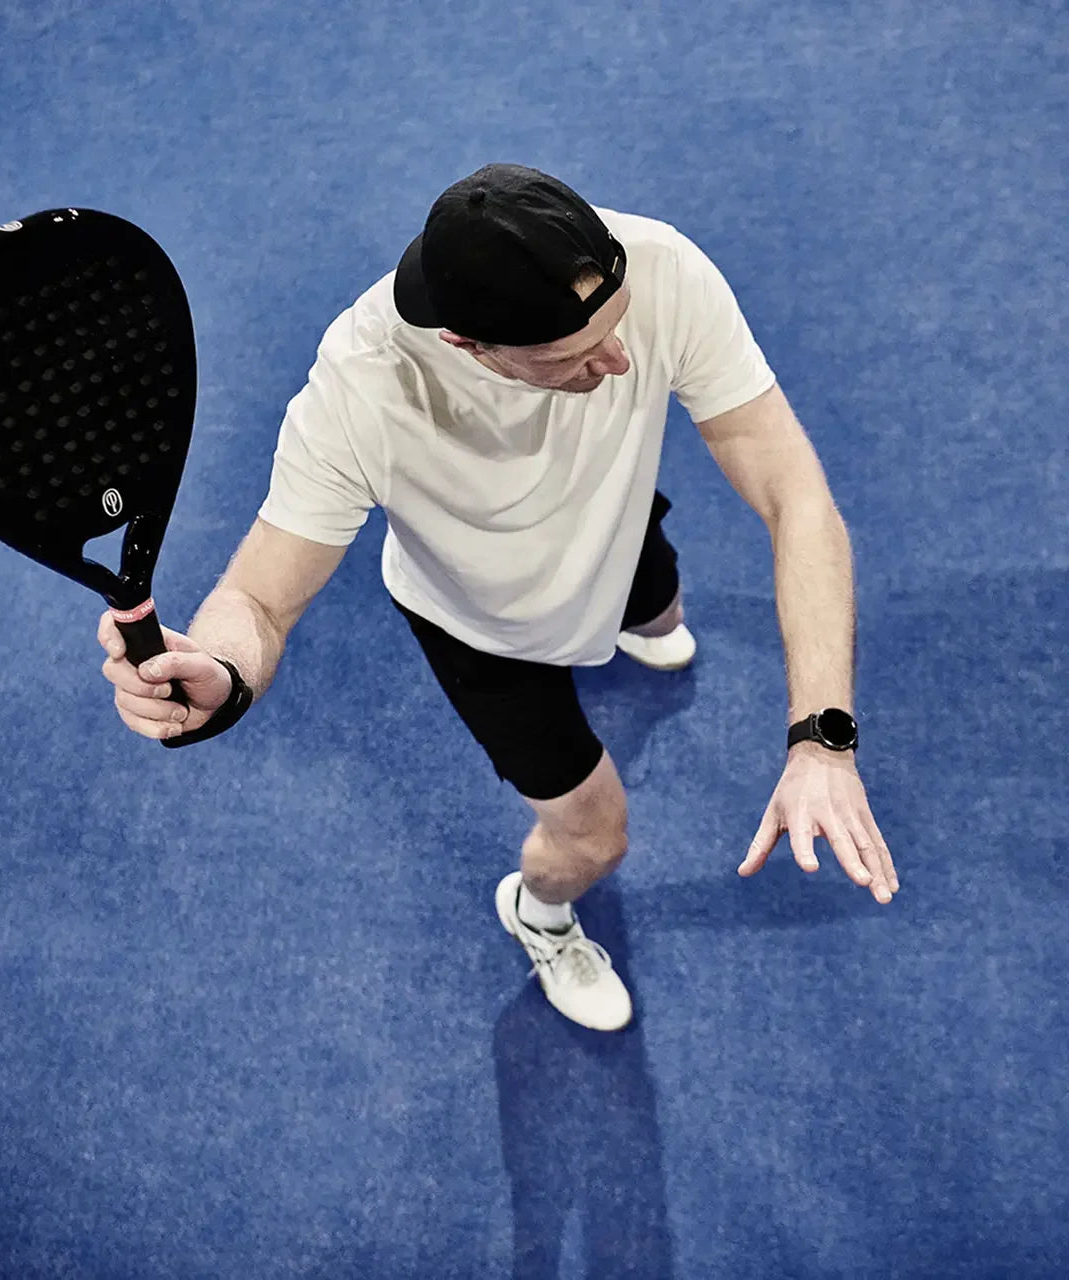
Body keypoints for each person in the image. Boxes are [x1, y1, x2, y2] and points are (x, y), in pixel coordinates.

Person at [97, 164, 899, 1033]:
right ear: (466, 345)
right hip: (483, 623)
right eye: (571, 358)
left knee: (663, 617)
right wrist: (221, 669)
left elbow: (798, 499)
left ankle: (639, 616)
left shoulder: (662, 266)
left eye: (615, 326)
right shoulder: (358, 390)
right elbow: (258, 597)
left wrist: (822, 740)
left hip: (616, 527)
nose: (620, 361)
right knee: (596, 838)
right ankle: (540, 915)